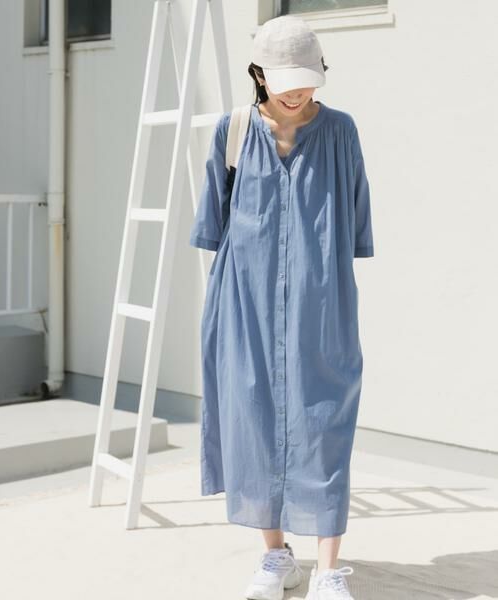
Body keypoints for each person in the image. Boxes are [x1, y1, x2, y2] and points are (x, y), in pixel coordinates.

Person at [189, 14, 374, 600]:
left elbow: (355, 218)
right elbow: (215, 221)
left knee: (325, 422)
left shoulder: (341, 131)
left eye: (306, 80)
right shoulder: (234, 130)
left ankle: (328, 570)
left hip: (322, 301)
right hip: (244, 301)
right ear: (259, 74)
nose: (296, 93)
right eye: (284, 81)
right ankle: (276, 556)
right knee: (253, 418)